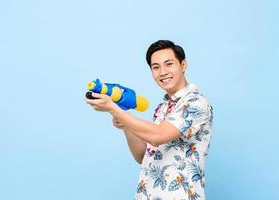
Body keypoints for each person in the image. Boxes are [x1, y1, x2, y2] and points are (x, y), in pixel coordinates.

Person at [86, 40, 213, 200]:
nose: (163, 72)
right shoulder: (163, 108)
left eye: (169, 64)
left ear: (183, 65)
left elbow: (158, 136)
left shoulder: (196, 102)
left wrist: (113, 108)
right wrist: (124, 121)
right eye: (156, 67)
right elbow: (142, 155)